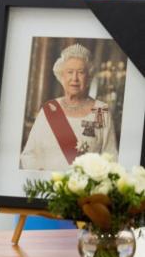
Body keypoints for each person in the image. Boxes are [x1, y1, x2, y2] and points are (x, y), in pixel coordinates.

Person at [20, 43, 118, 171]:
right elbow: (28, 155)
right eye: (70, 72)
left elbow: (111, 159)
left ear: (88, 77)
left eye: (81, 72)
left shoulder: (100, 110)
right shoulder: (49, 109)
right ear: (62, 76)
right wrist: (44, 176)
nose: (74, 78)